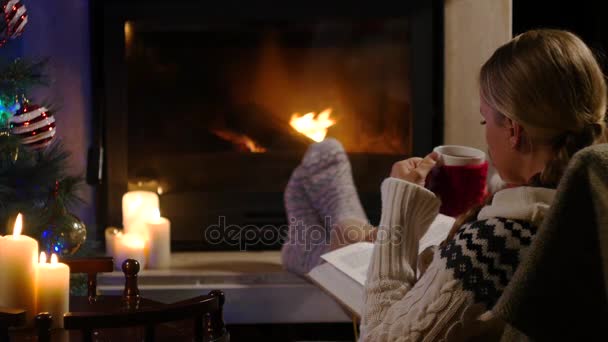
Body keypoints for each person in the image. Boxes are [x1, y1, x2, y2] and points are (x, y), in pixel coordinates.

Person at [360, 29, 607, 341]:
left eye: (485, 121)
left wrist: (398, 210)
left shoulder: (498, 242)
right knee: (346, 222)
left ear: (514, 131)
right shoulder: (588, 196)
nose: (485, 134)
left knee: (341, 226)